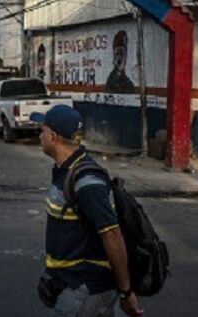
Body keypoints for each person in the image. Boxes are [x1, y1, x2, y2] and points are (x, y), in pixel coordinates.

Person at [33, 105, 142, 317]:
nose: (39, 135)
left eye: (42, 130)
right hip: (72, 284)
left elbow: (112, 234)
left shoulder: (87, 182)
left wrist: (126, 291)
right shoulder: (66, 170)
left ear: (53, 136)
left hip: (85, 288)